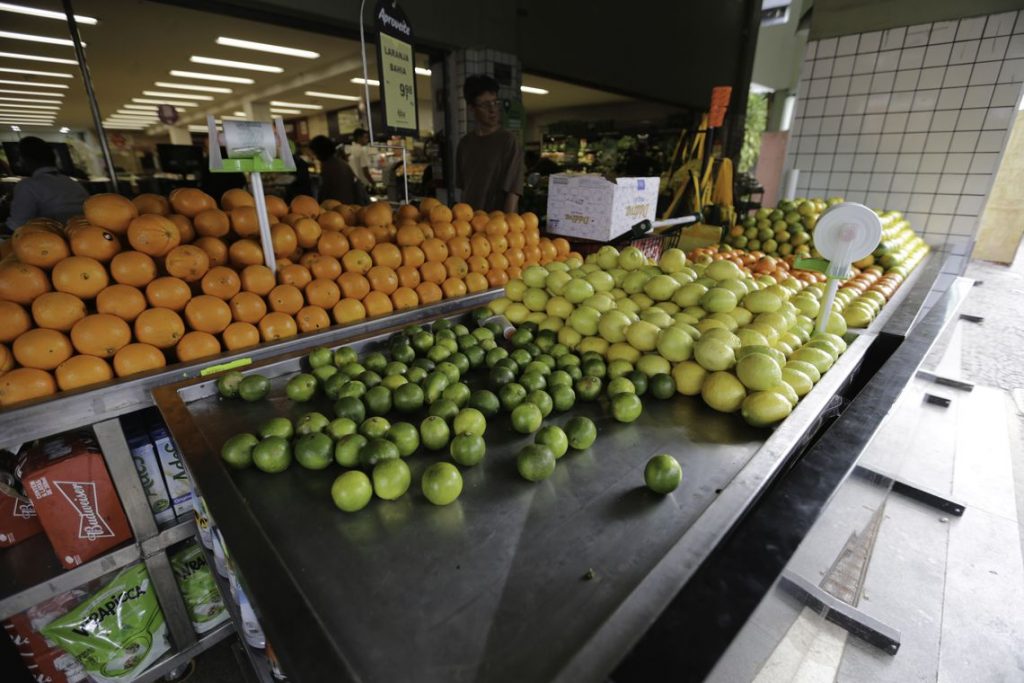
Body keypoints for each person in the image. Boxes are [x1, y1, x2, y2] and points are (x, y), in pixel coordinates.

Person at [456, 75, 524, 212]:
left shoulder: (508, 141)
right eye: (485, 105)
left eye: (495, 102)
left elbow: (513, 191)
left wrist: (508, 226)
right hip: (468, 224)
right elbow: (463, 188)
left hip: (497, 225)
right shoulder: (464, 144)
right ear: (471, 108)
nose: (493, 109)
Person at [6, 136, 89, 230]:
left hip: (48, 240)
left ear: (25, 159)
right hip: (83, 235)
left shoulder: (27, 186)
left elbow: (17, 225)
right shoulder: (73, 183)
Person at [309, 135, 358, 204]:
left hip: (336, 207)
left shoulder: (329, 165)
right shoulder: (340, 162)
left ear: (320, 151)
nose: (315, 156)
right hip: (348, 204)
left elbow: (325, 191)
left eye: (315, 153)